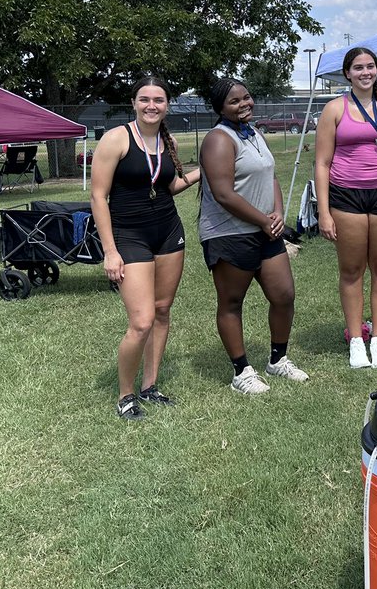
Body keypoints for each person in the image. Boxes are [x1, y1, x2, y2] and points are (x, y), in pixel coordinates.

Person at [90, 76, 201, 421]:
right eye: (144, 99)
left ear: (167, 105)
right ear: (134, 102)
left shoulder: (168, 142)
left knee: (163, 309)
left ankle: (150, 386)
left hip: (168, 231)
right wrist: (110, 250)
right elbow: (97, 196)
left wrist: (202, 172)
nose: (152, 105)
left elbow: (169, 185)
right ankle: (125, 395)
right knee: (141, 321)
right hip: (129, 236)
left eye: (159, 100)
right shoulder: (116, 139)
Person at [199, 77, 309, 395]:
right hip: (229, 234)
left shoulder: (253, 132)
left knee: (283, 295)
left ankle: (277, 360)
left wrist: (276, 213)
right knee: (232, 302)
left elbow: (269, 174)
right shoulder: (219, 139)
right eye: (234, 101)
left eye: (246, 97)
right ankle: (241, 372)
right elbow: (223, 194)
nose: (244, 104)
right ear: (220, 107)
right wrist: (263, 220)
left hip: (264, 230)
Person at [314, 47, 377, 369]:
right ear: (347, 73)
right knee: (352, 270)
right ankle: (357, 340)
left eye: (370, 66)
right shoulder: (334, 109)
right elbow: (322, 163)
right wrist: (324, 211)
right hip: (347, 197)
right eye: (358, 67)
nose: (365, 72)